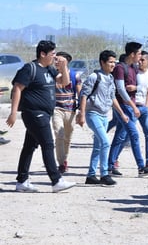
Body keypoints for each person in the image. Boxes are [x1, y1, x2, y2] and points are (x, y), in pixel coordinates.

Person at [6, 40, 76, 193]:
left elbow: (65, 83)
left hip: (45, 113)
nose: (54, 57)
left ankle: (22, 181)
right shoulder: (29, 69)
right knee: (48, 144)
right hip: (33, 113)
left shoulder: (49, 69)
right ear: (43, 54)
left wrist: (63, 67)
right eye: (52, 54)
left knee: (29, 147)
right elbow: (17, 88)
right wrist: (13, 112)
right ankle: (56, 180)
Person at [77, 50, 129, 185]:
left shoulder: (111, 78)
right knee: (105, 142)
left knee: (98, 146)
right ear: (102, 62)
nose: (113, 65)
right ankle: (104, 174)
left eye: (114, 62)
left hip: (104, 116)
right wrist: (81, 114)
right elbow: (84, 95)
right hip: (92, 114)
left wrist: (122, 114)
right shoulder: (94, 77)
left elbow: (112, 98)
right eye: (110, 62)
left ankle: (91, 175)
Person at [107, 42, 148, 177]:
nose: (140, 56)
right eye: (139, 53)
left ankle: (110, 165)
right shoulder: (120, 68)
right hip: (123, 106)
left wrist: (137, 90)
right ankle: (141, 167)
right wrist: (133, 107)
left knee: (120, 136)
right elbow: (121, 90)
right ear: (132, 54)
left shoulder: (133, 68)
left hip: (129, 106)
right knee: (134, 134)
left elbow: (141, 86)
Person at [126, 50, 148, 168]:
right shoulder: (133, 72)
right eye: (139, 59)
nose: (139, 62)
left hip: (143, 108)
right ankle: (114, 160)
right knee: (127, 135)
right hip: (133, 107)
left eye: (142, 60)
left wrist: (147, 104)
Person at [52, 51, 82, 173]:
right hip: (56, 109)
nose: (57, 62)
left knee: (67, 138)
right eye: (56, 60)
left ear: (67, 62)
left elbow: (80, 94)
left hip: (71, 111)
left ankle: (64, 159)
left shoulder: (75, 76)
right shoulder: (51, 74)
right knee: (59, 135)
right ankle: (61, 163)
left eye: (60, 60)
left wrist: (81, 111)